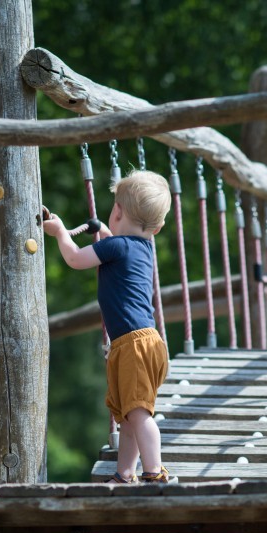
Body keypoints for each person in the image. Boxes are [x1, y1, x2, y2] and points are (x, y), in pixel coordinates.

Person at [42, 169, 174, 484]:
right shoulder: (144, 248)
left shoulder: (115, 248)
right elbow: (118, 254)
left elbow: (75, 259)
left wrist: (61, 232)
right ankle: (125, 473)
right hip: (148, 343)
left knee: (138, 414)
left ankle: (154, 472)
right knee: (128, 416)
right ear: (157, 227)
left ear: (116, 211)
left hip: (132, 346)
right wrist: (103, 232)